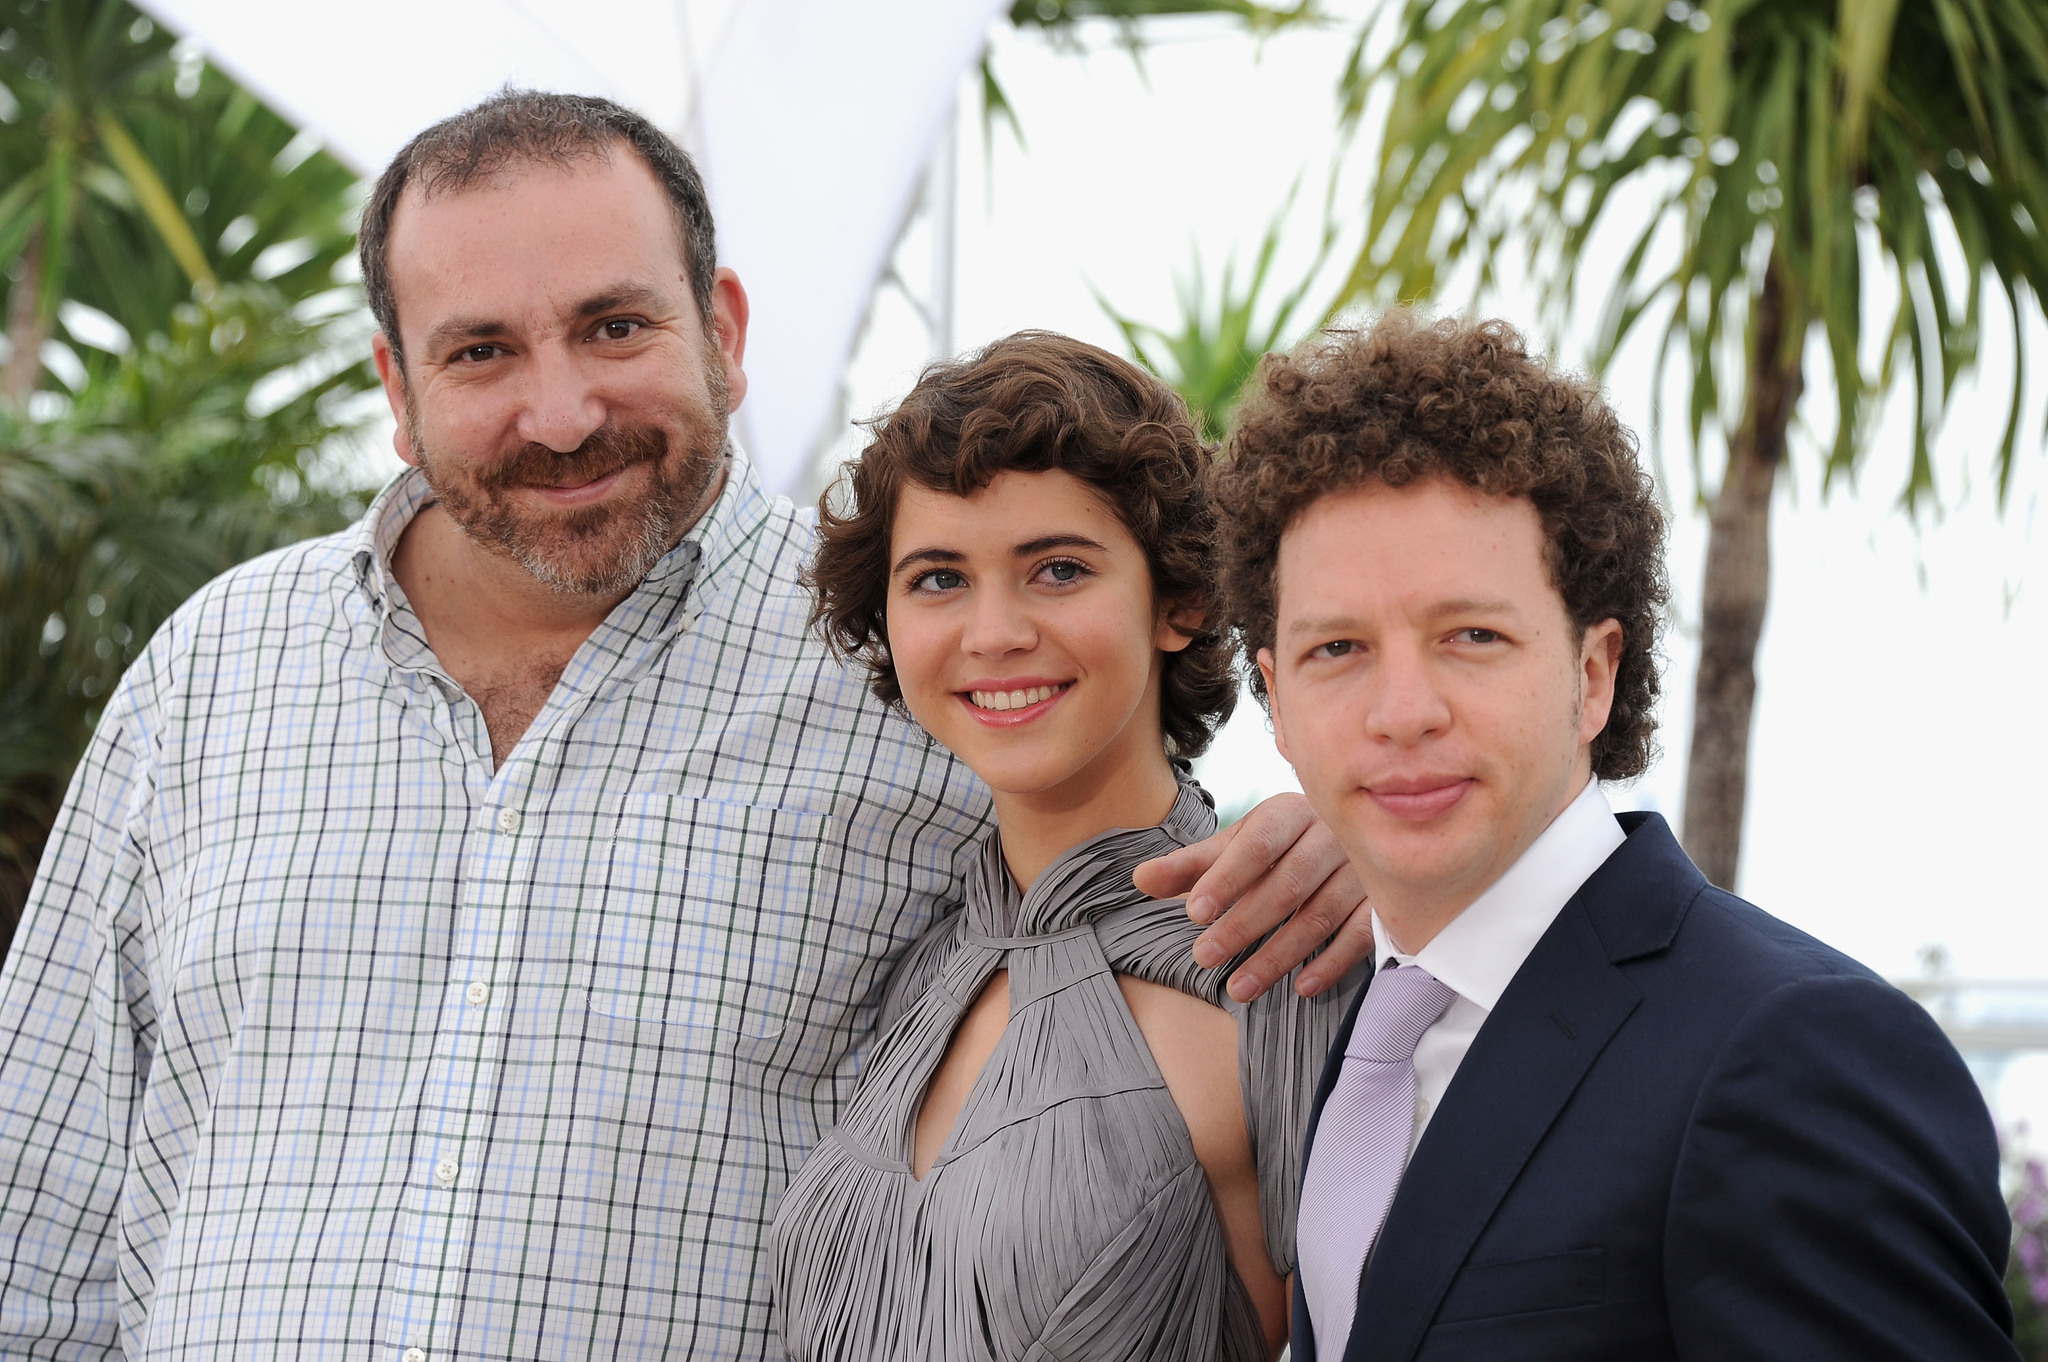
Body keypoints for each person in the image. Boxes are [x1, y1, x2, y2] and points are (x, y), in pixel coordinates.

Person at [0, 93, 1374, 1360]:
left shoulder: (900, 658)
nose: (563, 411)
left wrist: (1347, 845)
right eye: (481, 351)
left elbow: (1134, 871)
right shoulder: (213, 672)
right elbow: (35, 1202)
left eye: (615, 326)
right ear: (397, 388)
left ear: (722, 327)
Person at [1211, 310, 2016, 1361]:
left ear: (1591, 676)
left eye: (1470, 637)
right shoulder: (1359, 1031)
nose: (1399, 709)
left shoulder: (1785, 1050)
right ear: (1274, 699)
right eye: (1335, 649)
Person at [771, 332, 1347, 1361]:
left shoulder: (1288, 963)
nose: (991, 633)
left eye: (1057, 570)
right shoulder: (913, 971)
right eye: (938, 579)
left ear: (1181, 600)